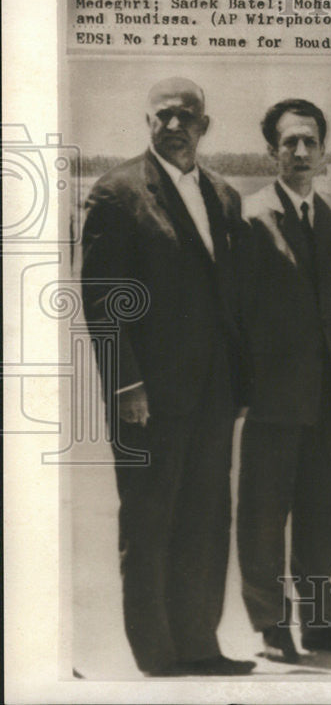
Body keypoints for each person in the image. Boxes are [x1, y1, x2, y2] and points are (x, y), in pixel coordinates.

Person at [80, 77, 254, 676]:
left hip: (213, 395)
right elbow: (104, 303)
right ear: (148, 122)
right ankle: (157, 655)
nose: (174, 125)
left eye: (187, 116)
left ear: (205, 125)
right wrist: (127, 385)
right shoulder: (117, 192)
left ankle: (200, 645)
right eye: (163, 115)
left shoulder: (224, 196)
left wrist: (239, 386)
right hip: (148, 397)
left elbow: (230, 301)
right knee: (151, 520)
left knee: (206, 520)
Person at [235, 99, 331, 664]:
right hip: (272, 394)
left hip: (329, 394)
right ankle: (271, 624)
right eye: (288, 142)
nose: (299, 152)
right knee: (264, 514)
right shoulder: (248, 218)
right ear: (272, 150)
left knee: (323, 513)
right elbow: (236, 312)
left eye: (309, 142)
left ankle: (321, 622)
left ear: (325, 153)